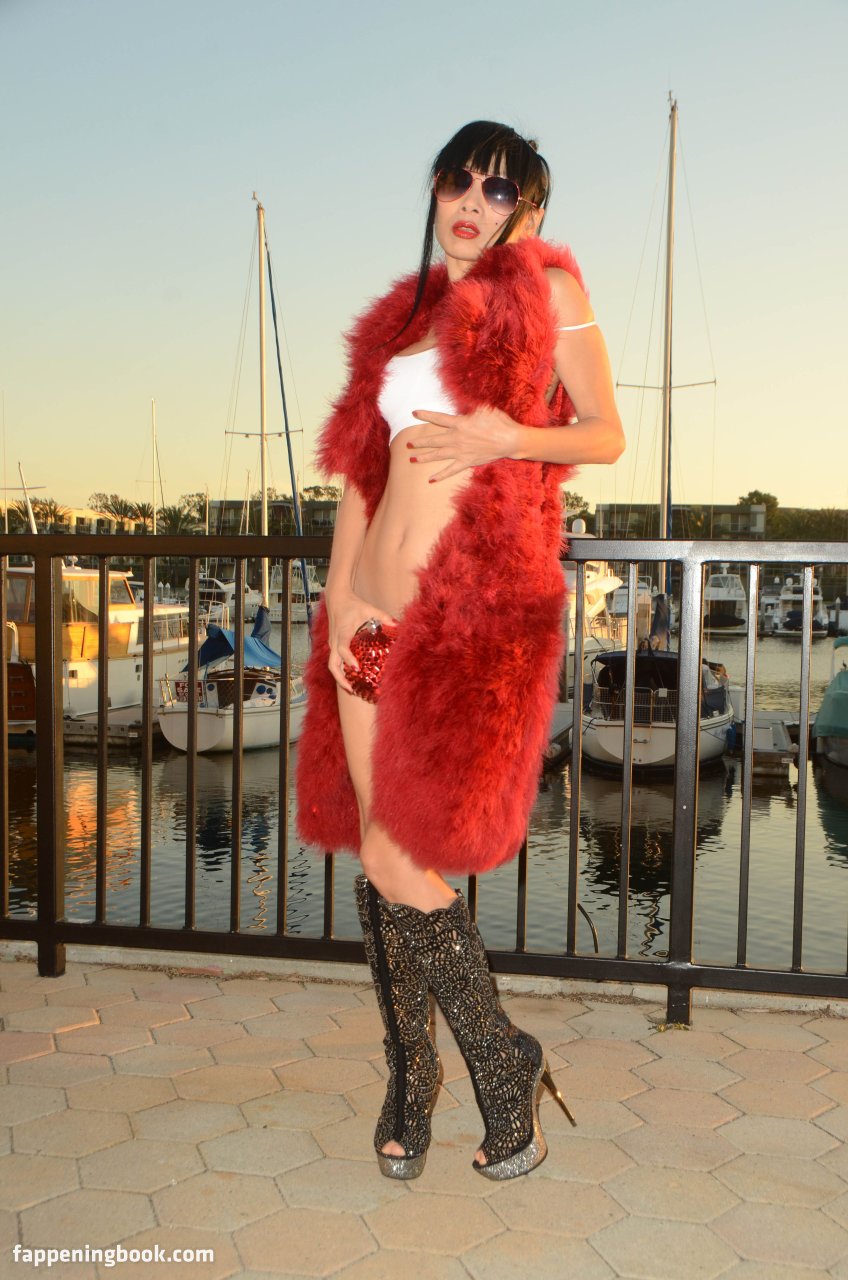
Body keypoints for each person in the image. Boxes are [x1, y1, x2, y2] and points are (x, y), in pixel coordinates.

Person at [296, 121, 624, 1181]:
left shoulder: (548, 293)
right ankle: (411, 1077)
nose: (472, 202)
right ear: (436, 190)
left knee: (403, 852)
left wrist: (506, 435)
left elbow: (606, 431)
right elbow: (363, 470)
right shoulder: (406, 319)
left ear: (528, 210)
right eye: (458, 181)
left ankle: (496, 1059)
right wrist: (339, 597)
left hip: (459, 626)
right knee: (378, 849)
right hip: (370, 613)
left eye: (499, 189)